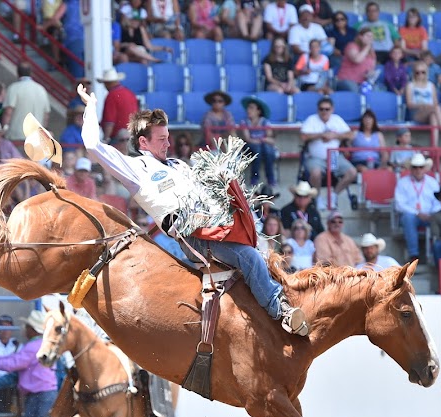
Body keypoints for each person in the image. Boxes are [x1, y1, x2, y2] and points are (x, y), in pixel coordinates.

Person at [78, 85, 309, 335]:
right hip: (194, 238)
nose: (169, 143)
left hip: (216, 225)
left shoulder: (178, 164)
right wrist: (91, 106)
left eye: (168, 137)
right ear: (143, 142)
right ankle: (281, 312)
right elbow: (93, 146)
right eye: (162, 139)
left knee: (258, 247)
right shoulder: (135, 169)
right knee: (249, 257)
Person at [299, 95, 358, 210]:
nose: (324, 111)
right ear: (318, 109)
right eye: (321, 109)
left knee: (352, 172)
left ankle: (333, 195)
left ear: (332, 109)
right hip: (316, 157)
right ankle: (318, 198)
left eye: (327, 109)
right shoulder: (312, 119)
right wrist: (320, 135)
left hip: (334, 156)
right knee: (315, 173)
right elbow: (303, 136)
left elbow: (350, 135)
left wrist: (335, 135)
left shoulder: (336, 119)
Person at [394, 153, 441, 262]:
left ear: (425, 168)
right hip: (412, 215)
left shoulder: (432, 182)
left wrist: (431, 214)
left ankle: (436, 254)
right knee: (408, 218)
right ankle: (414, 254)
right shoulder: (402, 182)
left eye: (421, 167)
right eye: (415, 167)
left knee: (439, 218)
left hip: (430, 215)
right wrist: (417, 213)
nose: (418, 170)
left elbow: (438, 202)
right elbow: (399, 204)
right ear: (411, 168)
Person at [406, 62, 441, 147]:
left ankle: (434, 145)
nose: (420, 74)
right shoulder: (410, 85)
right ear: (414, 73)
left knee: (433, 116)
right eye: (418, 72)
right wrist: (422, 105)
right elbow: (409, 104)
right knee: (436, 109)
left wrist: (429, 107)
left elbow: (435, 102)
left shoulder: (431, 85)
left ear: (426, 73)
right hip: (417, 113)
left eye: (423, 72)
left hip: (430, 110)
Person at [2, 63, 50, 143]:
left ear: (18, 73)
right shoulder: (41, 89)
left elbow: (8, 112)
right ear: (31, 73)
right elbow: (46, 115)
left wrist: (4, 129)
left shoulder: (13, 88)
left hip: (17, 136)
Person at [240, 96, 276, 188]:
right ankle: (255, 178)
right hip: (249, 147)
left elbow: (270, 137)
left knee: (268, 151)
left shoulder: (265, 122)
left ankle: (270, 178)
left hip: (262, 145)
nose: (248, 110)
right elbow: (247, 138)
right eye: (248, 107)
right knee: (258, 150)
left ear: (258, 111)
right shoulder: (244, 122)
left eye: (251, 108)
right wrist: (262, 140)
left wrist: (262, 140)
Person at [98, 67, 139, 141]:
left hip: (119, 137)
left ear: (107, 83)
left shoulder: (111, 96)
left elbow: (109, 121)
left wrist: (105, 139)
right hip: (132, 134)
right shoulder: (130, 93)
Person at [335, 28, 377, 93]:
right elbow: (357, 59)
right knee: (354, 89)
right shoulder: (351, 46)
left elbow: (372, 66)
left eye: (371, 36)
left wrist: (371, 73)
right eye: (367, 36)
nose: (370, 38)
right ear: (360, 37)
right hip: (346, 80)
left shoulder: (371, 51)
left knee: (378, 89)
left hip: (362, 82)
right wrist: (368, 46)